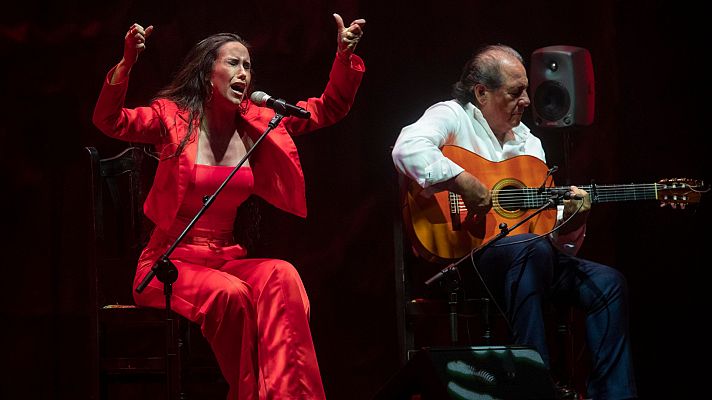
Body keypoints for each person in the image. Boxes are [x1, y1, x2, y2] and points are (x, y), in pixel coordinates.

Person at [93, 14, 365, 400]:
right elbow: (109, 120)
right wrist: (126, 65)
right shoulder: (171, 119)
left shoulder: (258, 122)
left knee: (282, 276)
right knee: (232, 295)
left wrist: (343, 56)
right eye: (233, 63)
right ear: (208, 74)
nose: (244, 74)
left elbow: (327, 109)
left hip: (225, 257)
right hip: (168, 263)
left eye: (248, 66)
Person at [391, 44, 637, 399]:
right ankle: (534, 388)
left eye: (526, 91)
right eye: (515, 92)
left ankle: (613, 395)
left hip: (527, 262)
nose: (526, 101)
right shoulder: (452, 116)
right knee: (530, 251)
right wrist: (460, 179)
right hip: (466, 262)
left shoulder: (529, 143)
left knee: (609, 282)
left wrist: (571, 221)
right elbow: (407, 148)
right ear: (481, 93)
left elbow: (548, 237)